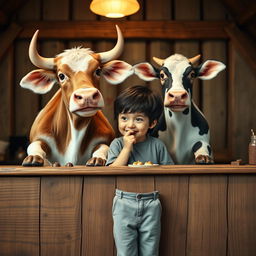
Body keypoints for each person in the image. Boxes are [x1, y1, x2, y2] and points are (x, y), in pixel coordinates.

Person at [107, 85, 174, 256]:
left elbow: (171, 172)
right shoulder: (117, 144)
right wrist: (127, 148)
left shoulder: (157, 146)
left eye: (138, 119)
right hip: (123, 202)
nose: (130, 125)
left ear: (152, 123)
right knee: (125, 251)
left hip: (152, 202)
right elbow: (113, 170)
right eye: (124, 118)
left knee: (151, 250)